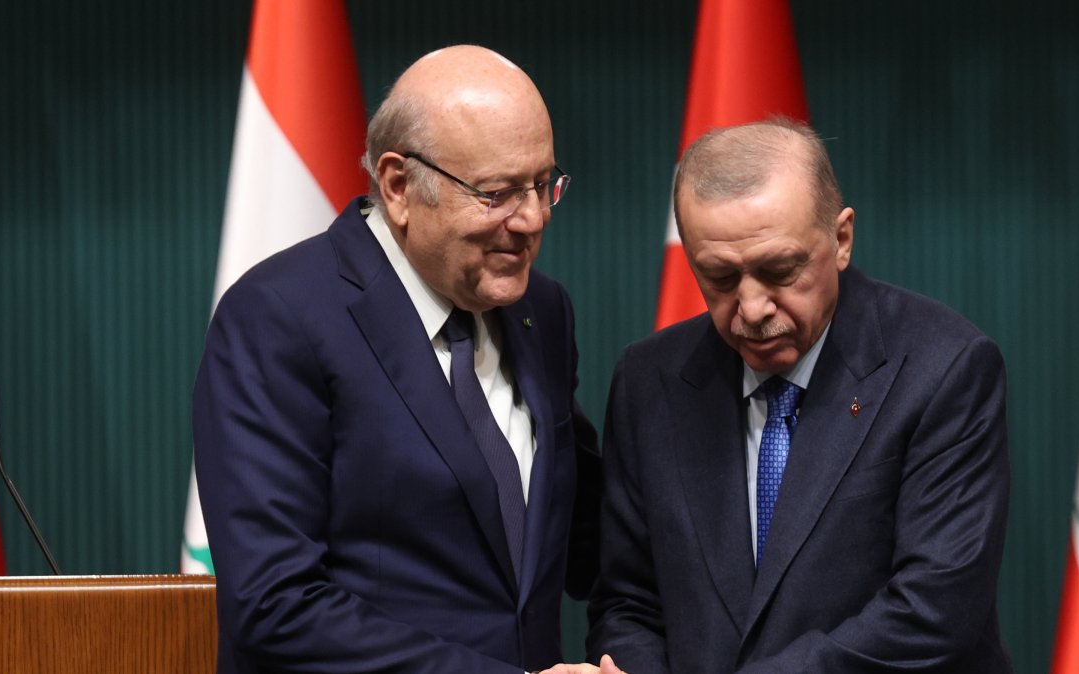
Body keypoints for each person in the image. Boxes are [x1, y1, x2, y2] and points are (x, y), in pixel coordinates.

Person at [192, 45, 600, 673]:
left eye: (544, 184)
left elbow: (585, 540)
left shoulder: (542, 310)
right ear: (399, 186)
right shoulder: (280, 316)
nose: (533, 219)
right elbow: (274, 604)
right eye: (496, 193)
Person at [573, 118, 1012, 673]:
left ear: (841, 238)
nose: (752, 309)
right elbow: (628, 600)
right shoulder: (649, 380)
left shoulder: (944, 367)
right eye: (720, 278)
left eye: (779, 270)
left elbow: (933, 611)